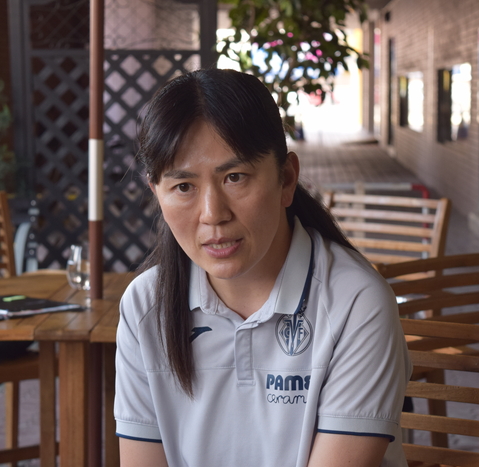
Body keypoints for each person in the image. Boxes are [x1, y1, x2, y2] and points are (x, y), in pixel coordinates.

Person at [115, 69, 412, 467]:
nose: (212, 214)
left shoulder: (355, 302)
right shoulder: (145, 306)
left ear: (286, 179)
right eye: (184, 187)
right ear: (157, 193)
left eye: (235, 177)